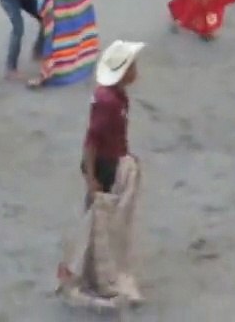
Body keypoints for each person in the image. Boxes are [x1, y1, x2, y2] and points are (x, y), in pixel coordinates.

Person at [57, 39, 145, 308]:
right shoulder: (109, 102)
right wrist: (91, 177)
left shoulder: (113, 96)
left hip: (111, 161)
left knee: (101, 221)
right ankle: (90, 277)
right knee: (99, 220)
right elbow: (92, 140)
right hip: (105, 166)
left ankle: (92, 274)